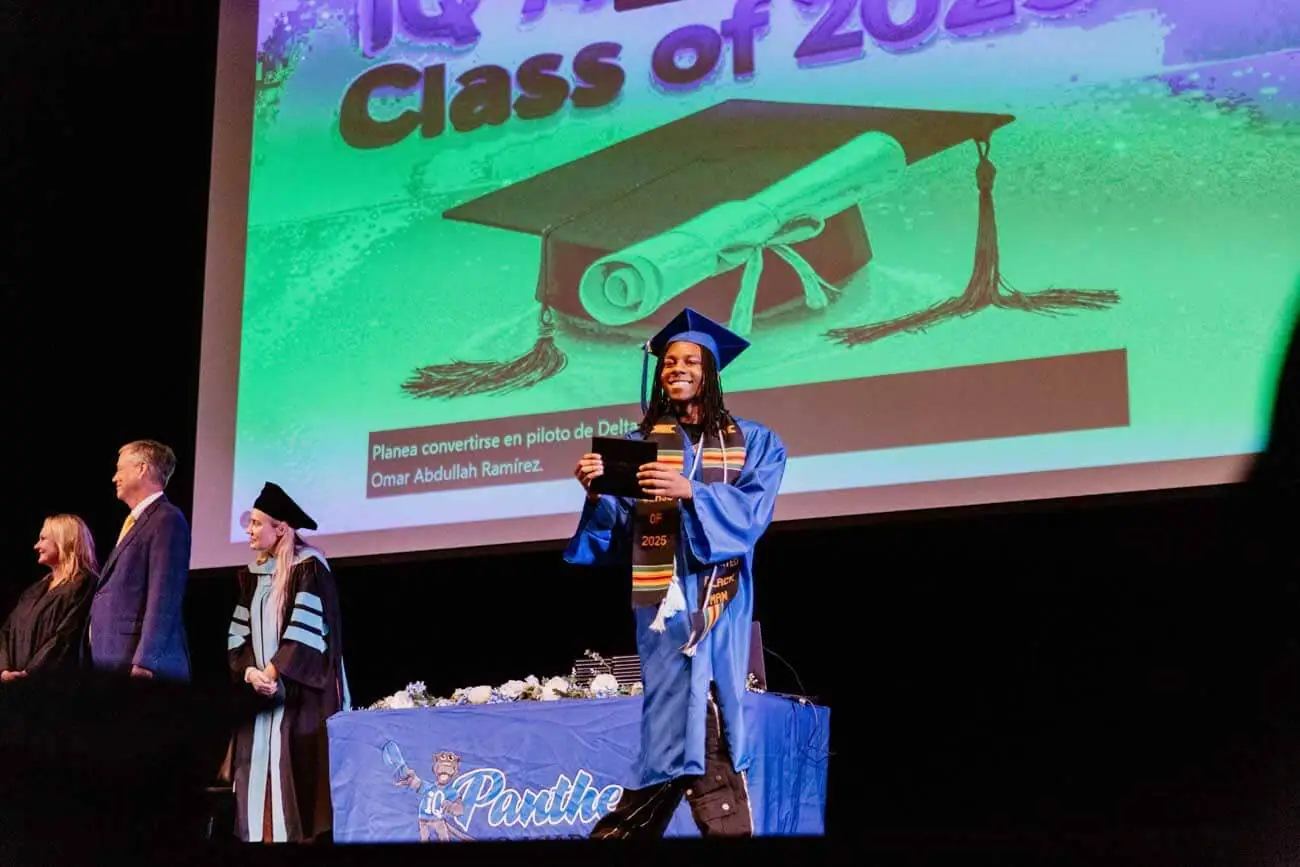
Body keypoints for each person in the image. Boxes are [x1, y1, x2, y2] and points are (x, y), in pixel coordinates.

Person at [564, 307, 788, 838]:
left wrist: (692, 492)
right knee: (677, 722)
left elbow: (753, 514)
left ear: (710, 372)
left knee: (704, 715)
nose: (677, 368)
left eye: (690, 360)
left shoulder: (756, 441)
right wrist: (597, 492)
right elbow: (616, 533)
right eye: (669, 361)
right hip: (662, 608)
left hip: (718, 600)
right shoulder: (639, 443)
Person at [226, 482, 349, 843]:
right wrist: (249, 671)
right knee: (254, 773)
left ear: (281, 528)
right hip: (260, 692)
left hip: (299, 695)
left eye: (257, 523)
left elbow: (306, 628)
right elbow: (238, 635)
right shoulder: (250, 575)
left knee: (295, 774)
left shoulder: (308, 567)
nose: (249, 529)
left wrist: (274, 671)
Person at [88, 439, 191, 680]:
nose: (115, 477)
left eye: (120, 469)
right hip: (113, 662)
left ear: (142, 468)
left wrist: (146, 662)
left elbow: (164, 595)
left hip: (139, 665)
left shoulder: (167, 519)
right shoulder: (135, 523)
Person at [0, 514, 98, 682]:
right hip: (15, 685)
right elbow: (7, 631)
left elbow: (66, 638)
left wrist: (30, 674)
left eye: (43, 538)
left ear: (64, 540)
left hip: (54, 686)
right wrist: (4, 669)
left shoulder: (85, 585)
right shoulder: (34, 591)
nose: (36, 545)